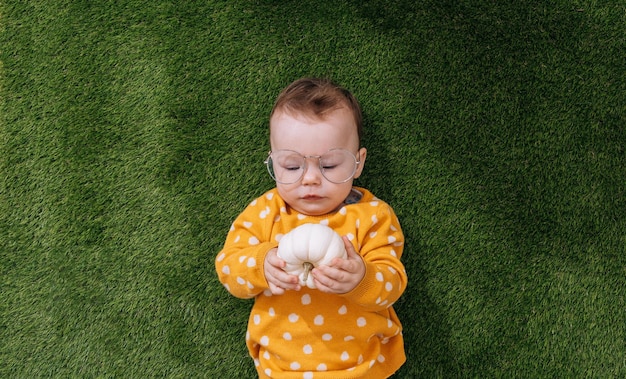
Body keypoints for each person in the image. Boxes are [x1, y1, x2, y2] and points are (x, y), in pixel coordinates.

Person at [215, 77, 407, 378]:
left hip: (363, 365)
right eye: (292, 166)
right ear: (273, 162)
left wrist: (362, 278)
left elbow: (392, 284)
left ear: (358, 163)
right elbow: (228, 268)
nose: (310, 179)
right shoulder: (266, 211)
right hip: (281, 366)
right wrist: (261, 264)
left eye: (329, 164)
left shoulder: (373, 217)